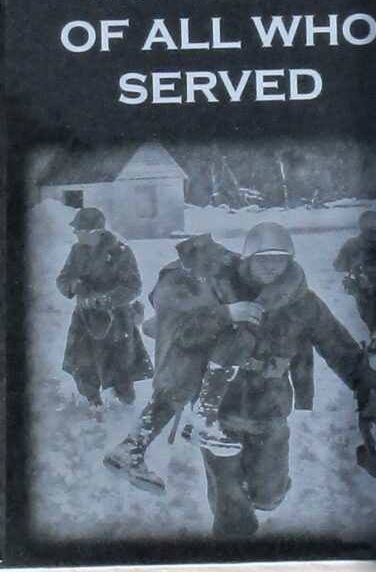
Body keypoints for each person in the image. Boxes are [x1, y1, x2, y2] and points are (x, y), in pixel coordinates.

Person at [199, 221, 376, 538]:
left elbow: (337, 344)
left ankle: (260, 492)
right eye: (264, 257)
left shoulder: (302, 302)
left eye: (280, 258)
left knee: (269, 494)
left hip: (269, 408)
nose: (272, 265)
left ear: (290, 260)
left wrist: (364, 383)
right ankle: (236, 547)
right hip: (218, 410)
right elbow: (182, 326)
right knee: (229, 507)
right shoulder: (216, 291)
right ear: (248, 258)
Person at [102, 232, 262, 493]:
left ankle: (129, 450)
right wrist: (228, 313)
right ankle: (133, 449)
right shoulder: (179, 279)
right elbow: (184, 329)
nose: (220, 266)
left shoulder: (212, 266)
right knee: (169, 397)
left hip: (187, 356)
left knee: (166, 400)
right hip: (182, 355)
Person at [55, 206, 153, 409]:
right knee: (82, 365)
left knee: (119, 369)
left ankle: (124, 411)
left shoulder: (121, 252)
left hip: (116, 321)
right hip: (84, 319)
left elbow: (133, 286)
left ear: (96, 231)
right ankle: (93, 403)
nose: (75, 233)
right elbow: (63, 279)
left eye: (80, 230)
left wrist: (106, 299)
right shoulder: (77, 251)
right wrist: (74, 285)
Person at [334, 209, 376, 354]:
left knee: (367, 309)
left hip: (364, 286)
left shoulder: (352, 244)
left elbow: (339, 265)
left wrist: (351, 267)